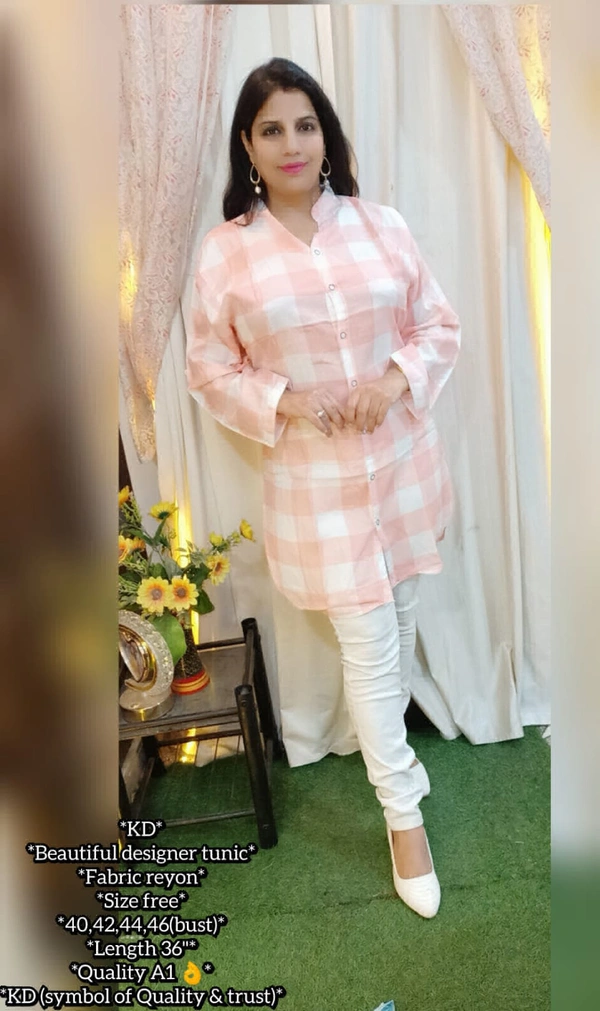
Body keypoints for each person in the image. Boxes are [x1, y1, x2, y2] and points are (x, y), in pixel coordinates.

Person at [186, 58, 461, 919]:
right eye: (271, 128)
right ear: (248, 145)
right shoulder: (226, 251)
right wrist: (287, 399)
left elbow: (438, 324)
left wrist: (393, 378)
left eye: (304, 124)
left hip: (404, 471)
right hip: (317, 490)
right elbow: (208, 367)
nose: (291, 143)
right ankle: (404, 819)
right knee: (371, 651)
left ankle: (397, 765)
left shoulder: (380, 226)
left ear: (325, 134)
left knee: (400, 626)